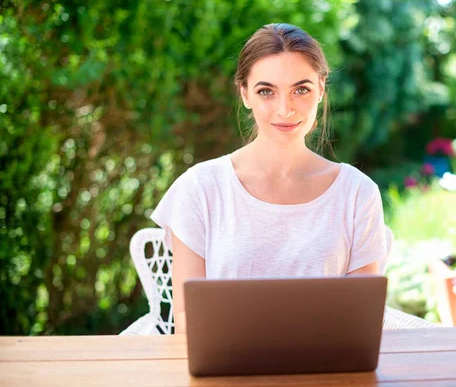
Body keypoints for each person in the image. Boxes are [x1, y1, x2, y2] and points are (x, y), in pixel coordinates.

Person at [151, 23, 423, 334]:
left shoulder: (357, 193)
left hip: (328, 376)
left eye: (301, 89)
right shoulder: (199, 188)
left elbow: (363, 320)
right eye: (266, 91)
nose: (285, 109)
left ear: (320, 90)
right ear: (244, 94)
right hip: (228, 375)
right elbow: (187, 319)